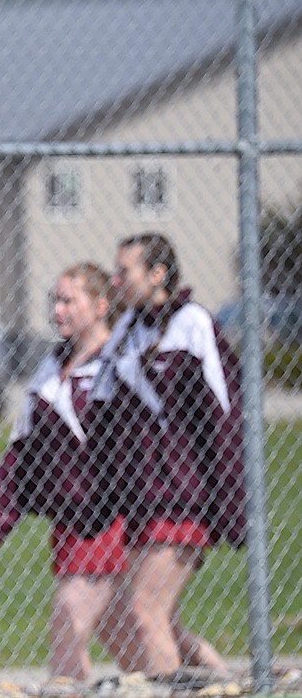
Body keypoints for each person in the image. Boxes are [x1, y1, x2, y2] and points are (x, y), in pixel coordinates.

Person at [0, 262, 135, 684]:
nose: (58, 310)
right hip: (69, 523)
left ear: (100, 305)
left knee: (69, 614)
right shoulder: (48, 370)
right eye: (55, 300)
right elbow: (21, 455)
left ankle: (64, 692)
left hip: (109, 519)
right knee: (132, 635)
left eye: (68, 300)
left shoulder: (120, 363)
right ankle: (231, 681)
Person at [89, 232, 246, 680]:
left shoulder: (193, 324)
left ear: (158, 274)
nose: (116, 281)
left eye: (126, 272)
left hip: (184, 496)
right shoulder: (126, 332)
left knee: (145, 611)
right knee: (138, 619)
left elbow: (225, 418)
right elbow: (100, 416)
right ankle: (223, 683)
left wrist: (231, 505)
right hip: (140, 500)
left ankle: (169, 690)